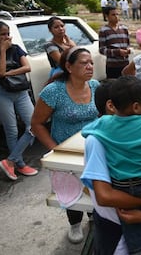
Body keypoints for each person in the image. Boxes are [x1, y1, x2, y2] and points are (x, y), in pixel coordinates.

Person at [82, 76, 141, 255]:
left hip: (125, 192)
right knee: (133, 226)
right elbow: (105, 197)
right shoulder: (95, 143)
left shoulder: (100, 131)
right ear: (109, 106)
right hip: (115, 235)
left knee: (136, 231)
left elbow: (86, 130)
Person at [31, 47, 99, 244]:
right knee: (71, 190)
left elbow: (103, 116)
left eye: (91, 63)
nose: (90, 67)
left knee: (95, 186)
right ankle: (75, 223)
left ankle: (94, 215)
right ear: (69, 67)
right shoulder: (54, 91)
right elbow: (36, 124)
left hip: (92, 150)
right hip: (65, 151)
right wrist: (55, 149)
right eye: (84, 63)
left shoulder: (94, 86)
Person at [0, 20, 38, 181]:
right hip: (1, 92)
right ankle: (19, 164)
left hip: (20, 91)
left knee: (33, 125)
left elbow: (27, 67)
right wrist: (2, 51)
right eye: (2, 34)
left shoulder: (15, 49)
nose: (7, 37)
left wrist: (6, 74)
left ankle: (10, 161)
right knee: (11, 130)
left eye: (8, 34)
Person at [99, 6, 131, 78]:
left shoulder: (124, 29)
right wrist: (117, 52)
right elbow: (102, 50)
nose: (116, 17)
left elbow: (128, 45)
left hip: (125, 65)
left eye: (117, 14)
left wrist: (128, 51)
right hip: (112, 67)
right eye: (113, 15)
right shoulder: (104, 31)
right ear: (107, 16)